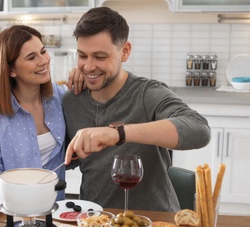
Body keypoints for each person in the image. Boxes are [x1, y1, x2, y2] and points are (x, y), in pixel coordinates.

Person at [63, 7, 211, 212]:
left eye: (99, 57)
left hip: (154, 223)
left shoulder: (147, 93)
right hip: (96, 223)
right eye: (82, 56)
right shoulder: (72, 100)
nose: (88, 66)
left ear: (125, 51)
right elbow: (65, 159)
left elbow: (199, 129)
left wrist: (118, 134)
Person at [0, 25, 81, 200]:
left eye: (43, 51)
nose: (43, 60)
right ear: (11, 70)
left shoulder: (59, 98)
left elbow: (74, 154)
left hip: (51, 208)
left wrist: (82, 75)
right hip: (10, 210)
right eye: (31, 57)